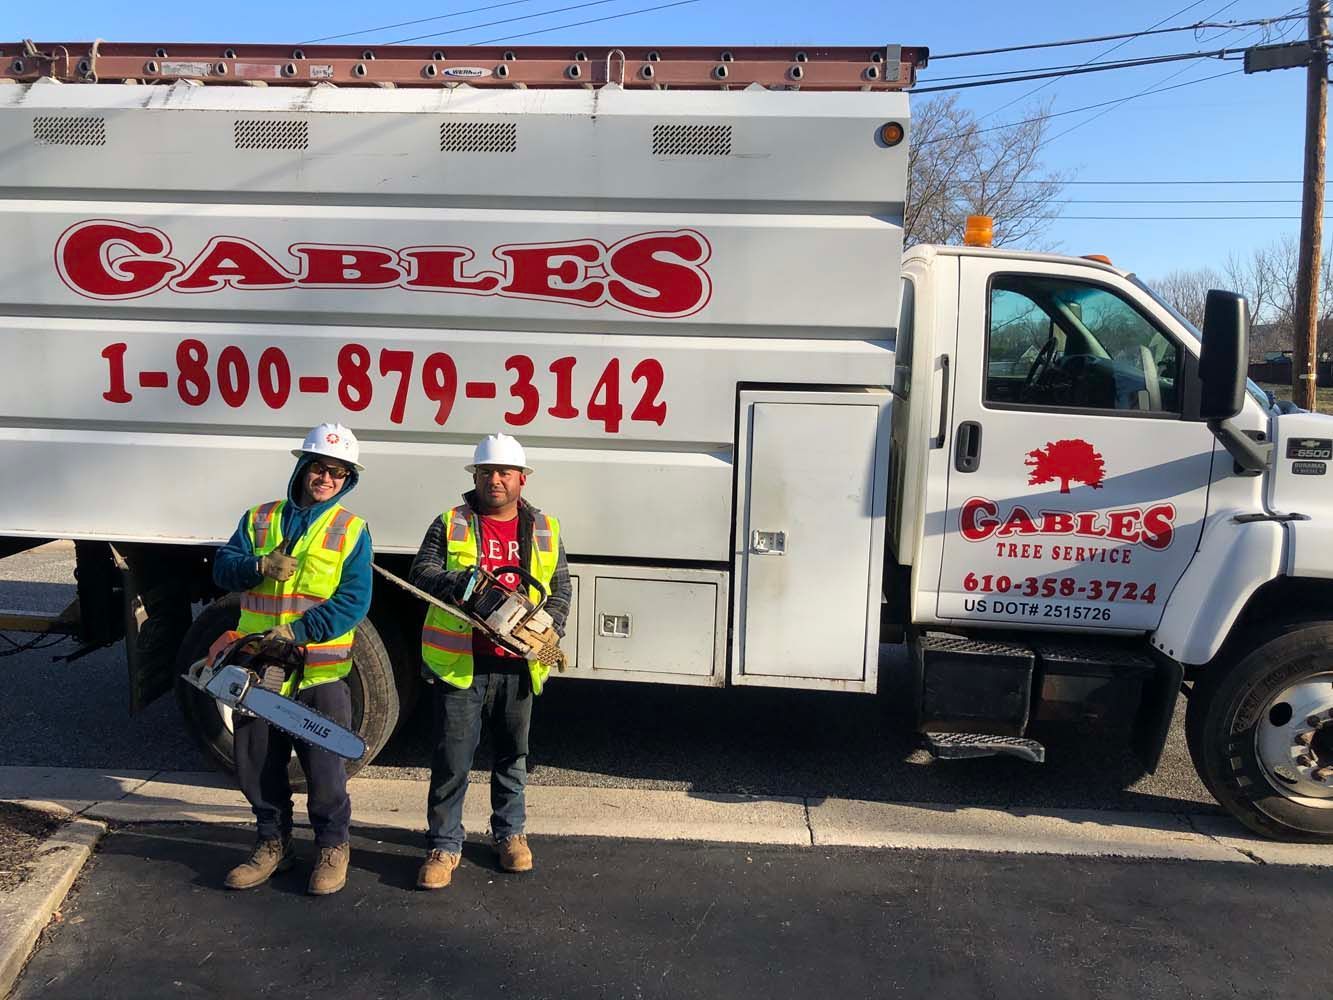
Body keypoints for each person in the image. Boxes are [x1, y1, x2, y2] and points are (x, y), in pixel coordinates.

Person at [211, 423, 373, 896]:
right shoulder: (259, 519)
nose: (327, 478)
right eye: (320, 468)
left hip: (319, 668)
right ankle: (272, 843)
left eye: (338, 473)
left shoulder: (351, 530)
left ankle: (331, 846)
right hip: (258, 668)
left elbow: (353, 601)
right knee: (257, 763)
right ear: (303, 468)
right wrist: (256, 566)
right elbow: (223, 568)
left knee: (325, 768)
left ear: (347, 480)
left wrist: (297, 632)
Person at [408, 433, 571, 890]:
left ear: (521, 478)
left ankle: (510, 835)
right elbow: (421, 572)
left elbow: (561, 587)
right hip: (461, 662)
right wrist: (466, 586)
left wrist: (548, 627)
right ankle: (444, 845)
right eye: (486, 473)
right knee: (453, 758)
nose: (495, 480)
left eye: (503, 472)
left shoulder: (545, 527)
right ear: (476, 477)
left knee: (512, 756)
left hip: (517, 664)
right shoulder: (450, 522)